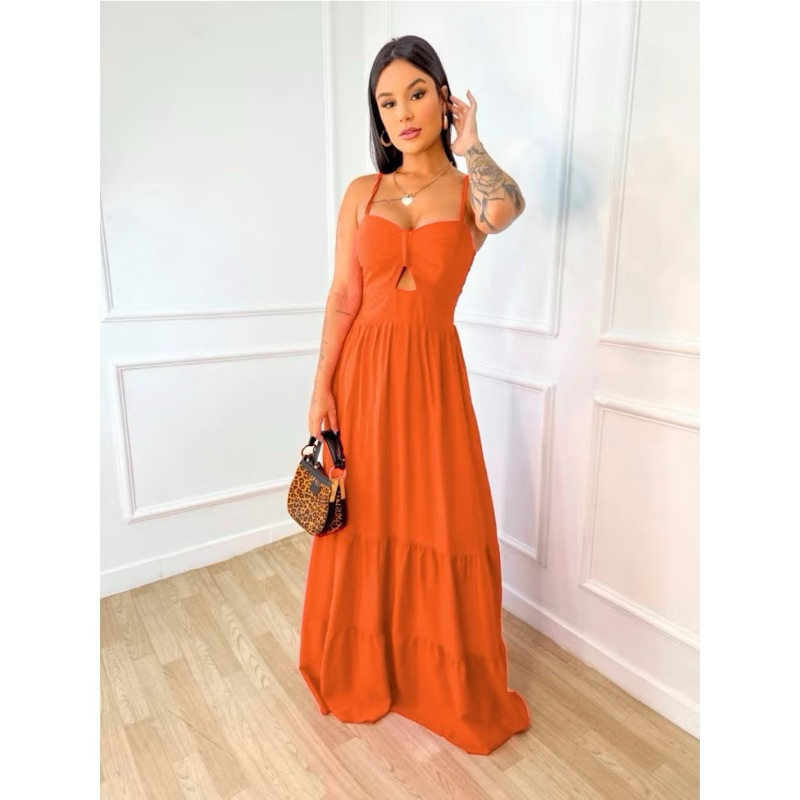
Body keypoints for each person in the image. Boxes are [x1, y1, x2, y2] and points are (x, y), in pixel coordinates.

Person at [297, 34, 530, 755]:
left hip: (431, 379)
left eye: (417, 94)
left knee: (442, 520)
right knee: (365, 519)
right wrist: (321, 386)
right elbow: (343, 294)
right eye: (387, 101)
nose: (402, 113)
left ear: (443, 96)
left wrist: (472, 141)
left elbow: (507, 209)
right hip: (361, 377)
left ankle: (439, 678)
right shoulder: (361, 193)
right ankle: (369, 663)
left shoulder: (467, 194)